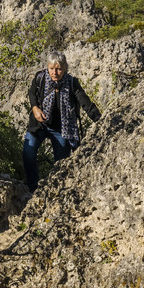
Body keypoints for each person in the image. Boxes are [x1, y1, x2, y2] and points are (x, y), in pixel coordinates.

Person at [23, 50, 100, 193]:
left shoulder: (71, 83)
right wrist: (34, 107)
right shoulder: (40, 78)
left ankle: (56, 193)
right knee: (28, 152)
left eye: (58, 69)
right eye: (51, 68)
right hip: (39, 125)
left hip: (62, 129)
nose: (54, 72)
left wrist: (101, 121)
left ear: (65, 69)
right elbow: (32, 92)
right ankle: (32, 189)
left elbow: (86, 103)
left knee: (60, 167)